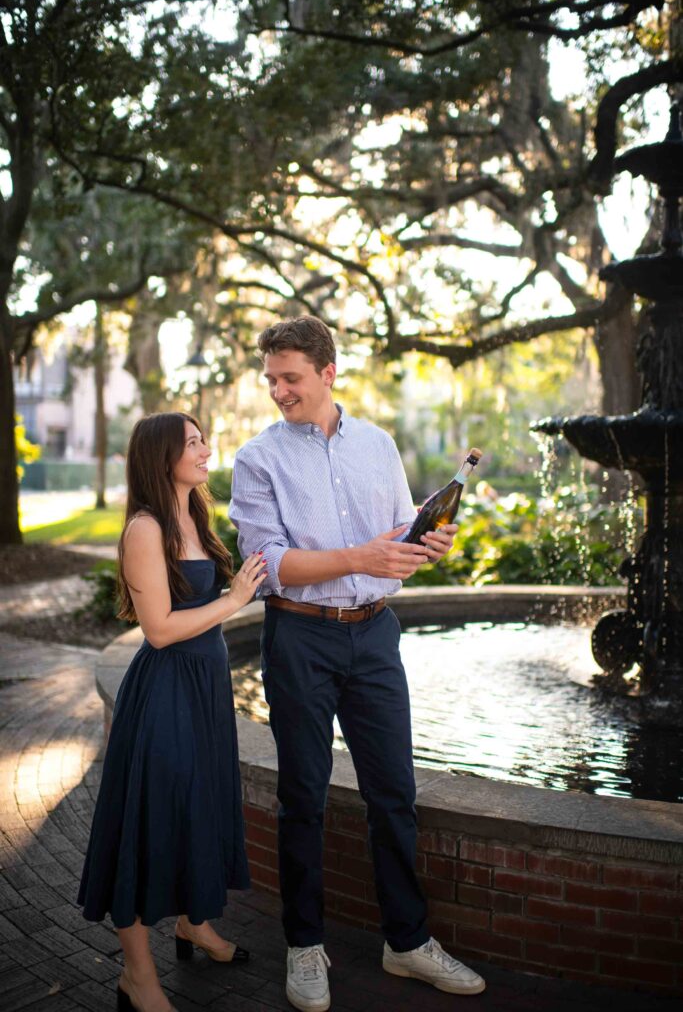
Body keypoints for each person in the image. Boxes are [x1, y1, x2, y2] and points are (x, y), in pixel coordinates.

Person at [229, 317, 486, 1012]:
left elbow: (398, 534)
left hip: (375, 635)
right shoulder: (257, 459)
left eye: (291, 378)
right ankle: (304, 945)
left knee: (393, 794)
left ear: (327, 372)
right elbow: (271, 567)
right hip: (300, 639)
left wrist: (423, 546)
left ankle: (406, 942)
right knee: (302, 797)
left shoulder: (378, 445)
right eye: (272, 379)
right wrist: (359, 557)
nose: (278, 390)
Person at [78, 412, 267, 1012]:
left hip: (207, 689)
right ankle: (138, 975)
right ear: (163, 458)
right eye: (193, 443)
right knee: (150, 820)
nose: (206, 450)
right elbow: (158, 630)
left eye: (203, 439)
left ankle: (194, 924)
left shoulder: (195, 512)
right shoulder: (144, 528)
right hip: (166, 695)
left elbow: (204, 599)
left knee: (201, 807)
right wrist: (234, 600)